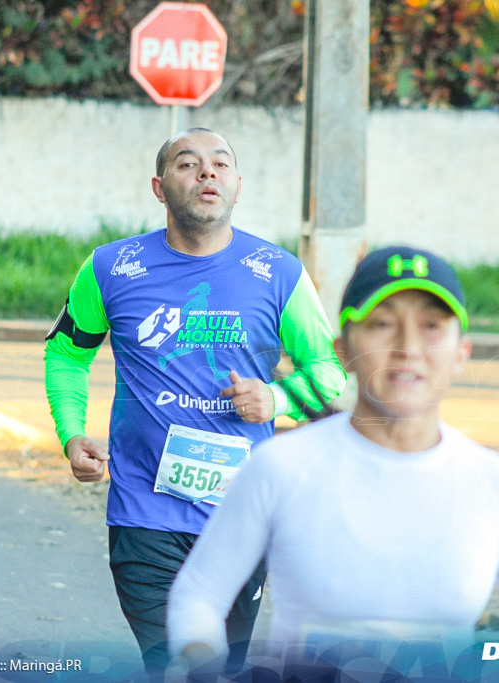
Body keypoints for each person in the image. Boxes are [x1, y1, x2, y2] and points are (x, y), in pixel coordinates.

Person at [166, 245, 499, 670]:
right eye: (383, 324)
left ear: (462, 354)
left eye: (431, 326)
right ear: (343, 351)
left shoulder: (497, 481)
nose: (408, 348)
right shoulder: (280, 467)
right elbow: (199, 593)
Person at [43, 127, 346, 676]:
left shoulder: (279, 273)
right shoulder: (112, 267)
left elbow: (330, 373)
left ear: (237, 185)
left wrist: (276, 399)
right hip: (144, 512)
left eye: (220, 163)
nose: (207, 172)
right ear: (159, 188)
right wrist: (72, 432)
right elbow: (67, 355)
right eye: (188, 164)